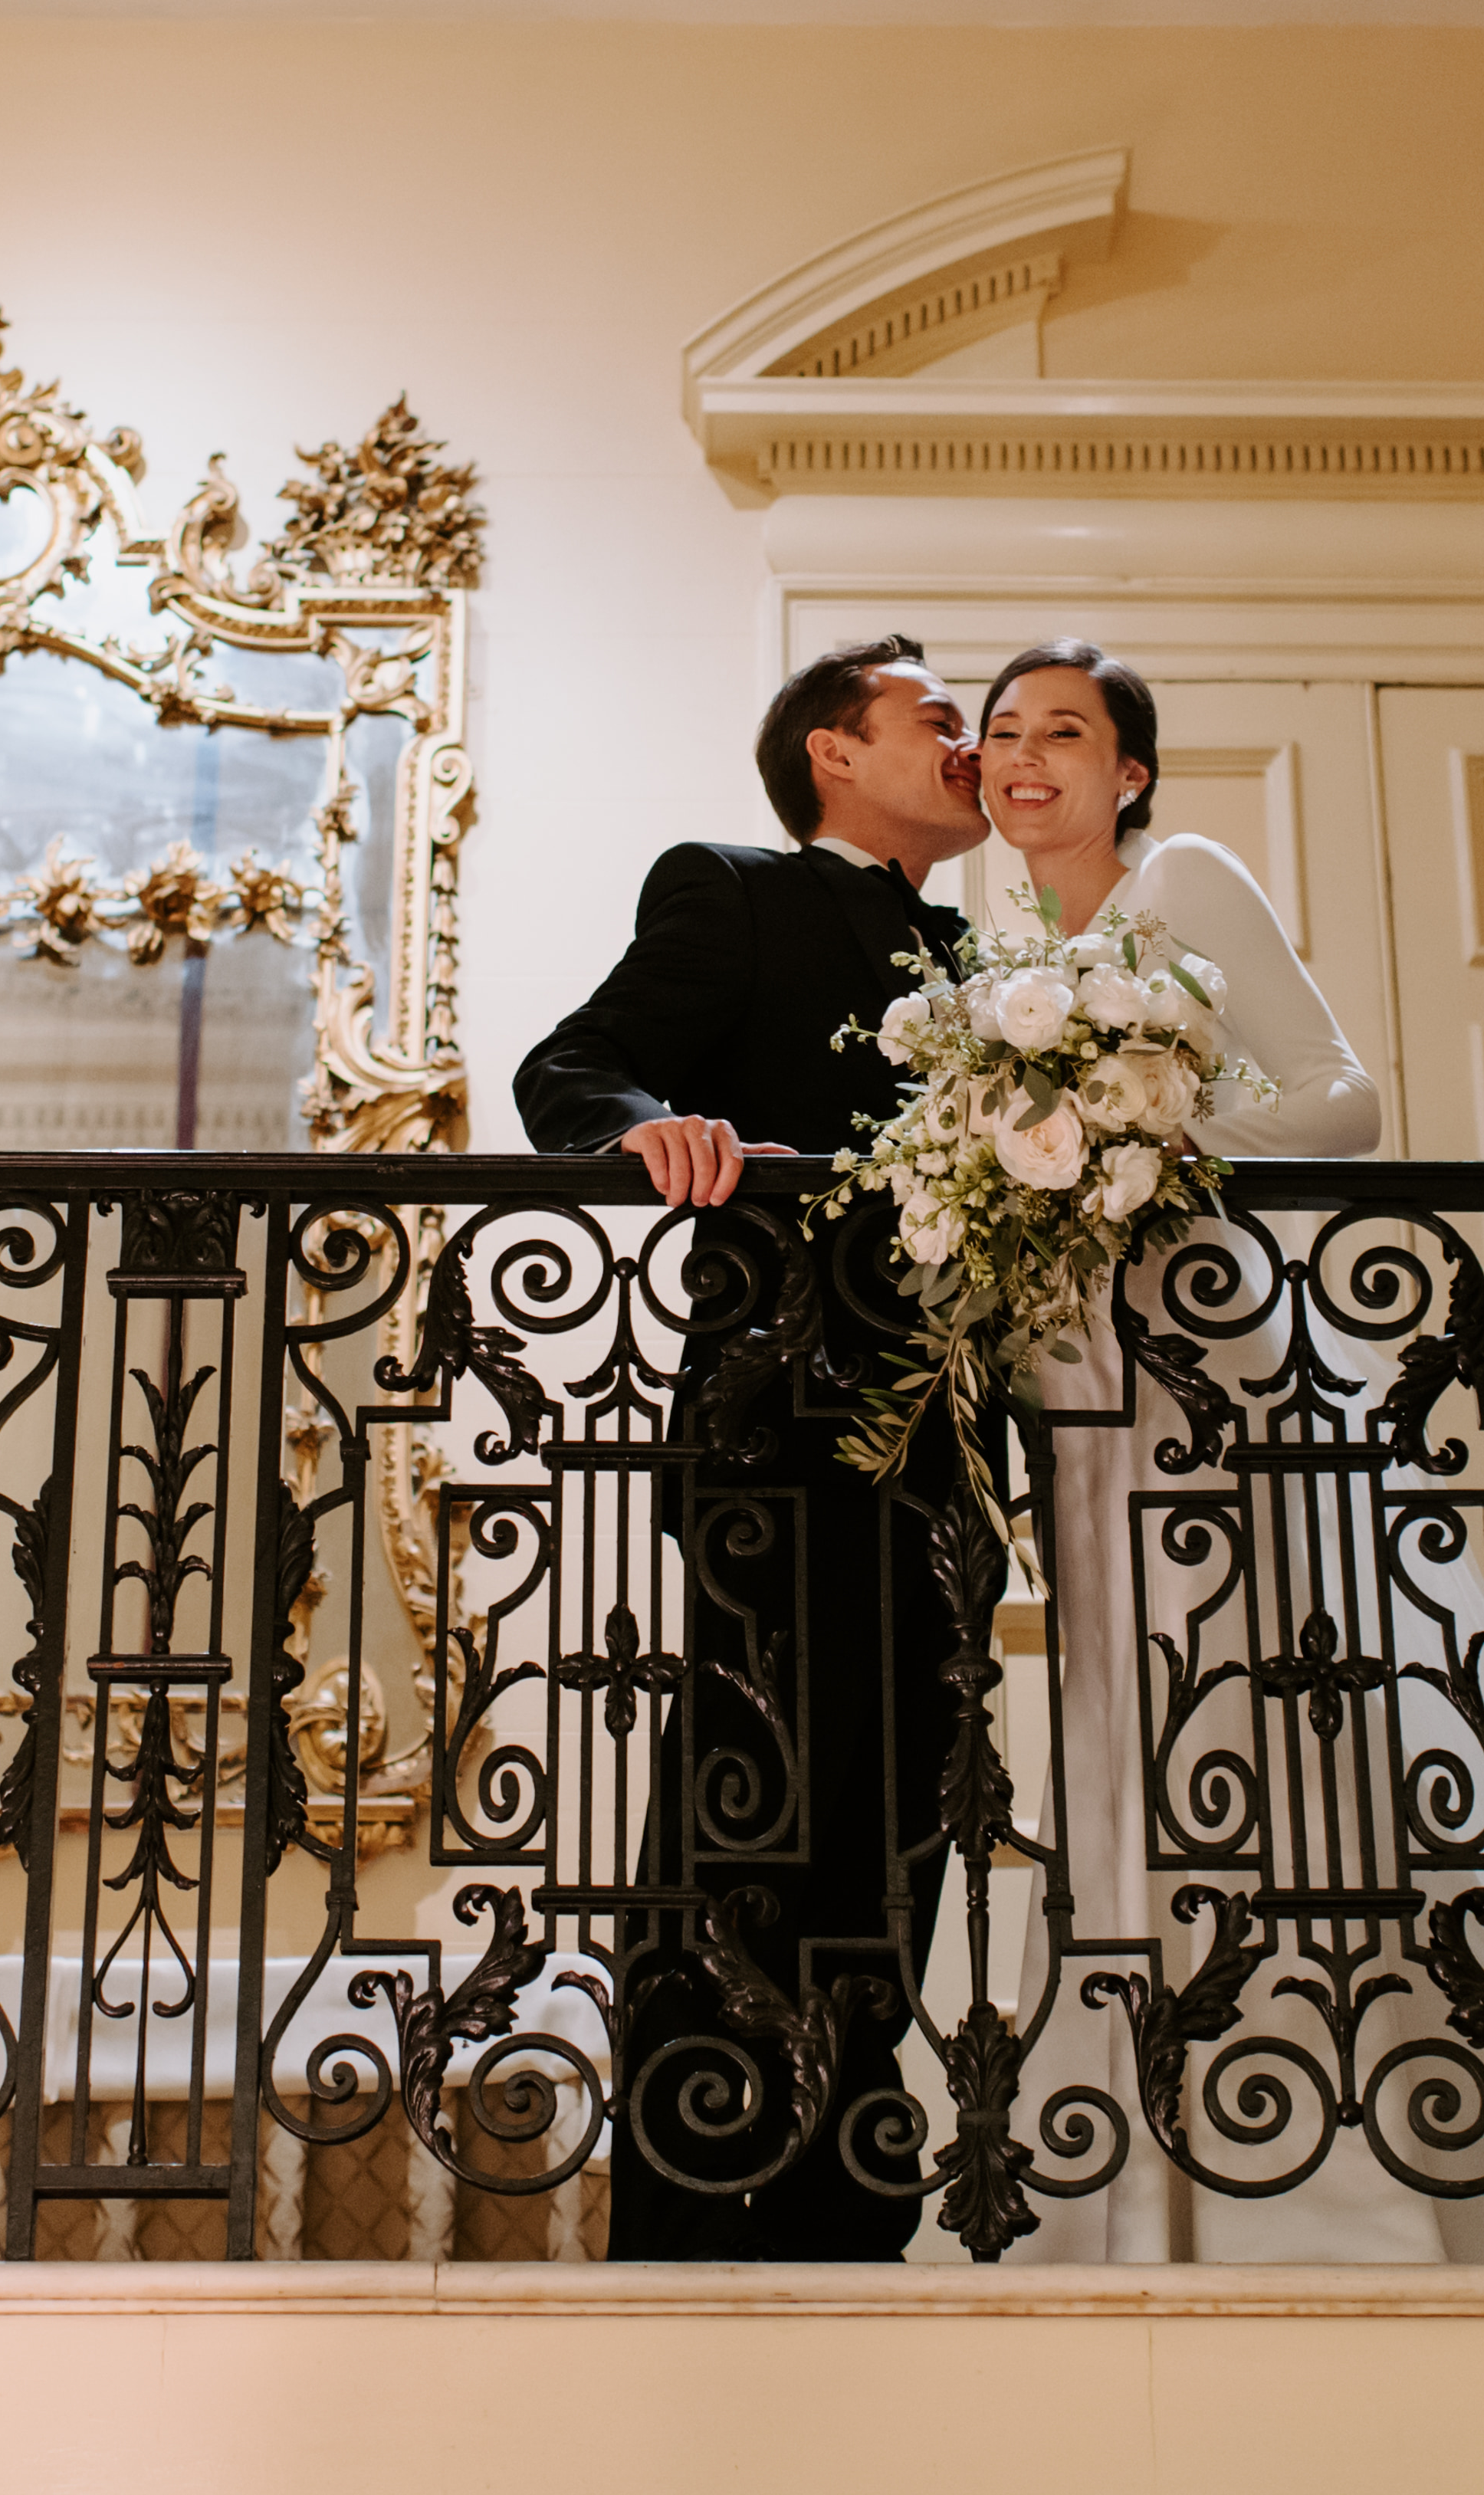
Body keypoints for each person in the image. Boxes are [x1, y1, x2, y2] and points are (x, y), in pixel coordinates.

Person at [973, 638, 1484, 2264]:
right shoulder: (1002, 952)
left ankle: (1385, 2157)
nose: (1024, 757)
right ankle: (1159, 2171)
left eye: (1066, 732)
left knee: (1305, 1706)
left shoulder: (1180, 879)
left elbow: (1342, 1103)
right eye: (1001, 733)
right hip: (1092, 1386)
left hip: (1226, 1364)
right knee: (1138, 1717)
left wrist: (1141, 1138)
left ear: (1130, 771)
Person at [513, 635, 987, 2260]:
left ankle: (851, 2208)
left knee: (903, 1827)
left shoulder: (986, 956)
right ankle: (698, 2215)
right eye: (939, 717)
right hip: (782, 1429)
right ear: (833, 755)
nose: (971, 743)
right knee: (753, 1817)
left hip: (949, 1451)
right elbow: (570, 1065)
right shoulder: (734, 888)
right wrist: (644, 1125)